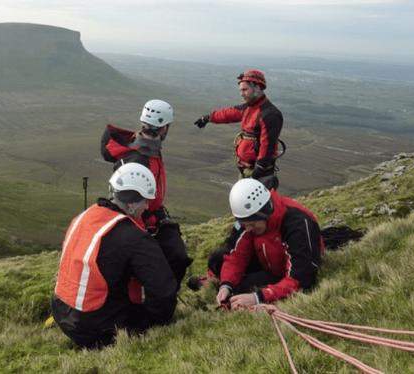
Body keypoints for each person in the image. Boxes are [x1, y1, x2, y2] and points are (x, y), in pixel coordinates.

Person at [51, 163, 178, 349]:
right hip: (96, 329)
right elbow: (163, 293)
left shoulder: (84, 217)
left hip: (62, 313)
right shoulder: (134, 236)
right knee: (144, 310)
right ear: (132, 204)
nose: (148, 206)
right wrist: (155, 321)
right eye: (146, 201)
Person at [100, 99, 193, 289]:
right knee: (171, 258)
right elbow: (130, 205)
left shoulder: (145, 149)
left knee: (176, 255)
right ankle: (159, 301)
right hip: (139, 220)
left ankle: (161, 296)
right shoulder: (138, 158)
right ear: (164, 128)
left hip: (151, 216)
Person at [210, 178, 325, 309]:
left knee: (247, 292)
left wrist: (259, 297)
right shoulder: (250, 218)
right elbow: (236, 256)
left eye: (252, 224)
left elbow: (301, 278)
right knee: (220, 265)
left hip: (292, 270)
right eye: (244, 224)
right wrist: (226, 285)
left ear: (265, 213)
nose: (247, 229)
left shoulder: (297, 224)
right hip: (269, 264)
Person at [193, 69, 284, 190]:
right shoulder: (249, 108)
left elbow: (268, 145)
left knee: (255, 206)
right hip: (246, 169)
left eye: (245, 90)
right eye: (241, 90)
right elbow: (228, 114)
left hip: (258, 173)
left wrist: (260, 169)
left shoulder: (270, 114)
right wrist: (208, 118)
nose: (241, 94)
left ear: (257, 87)